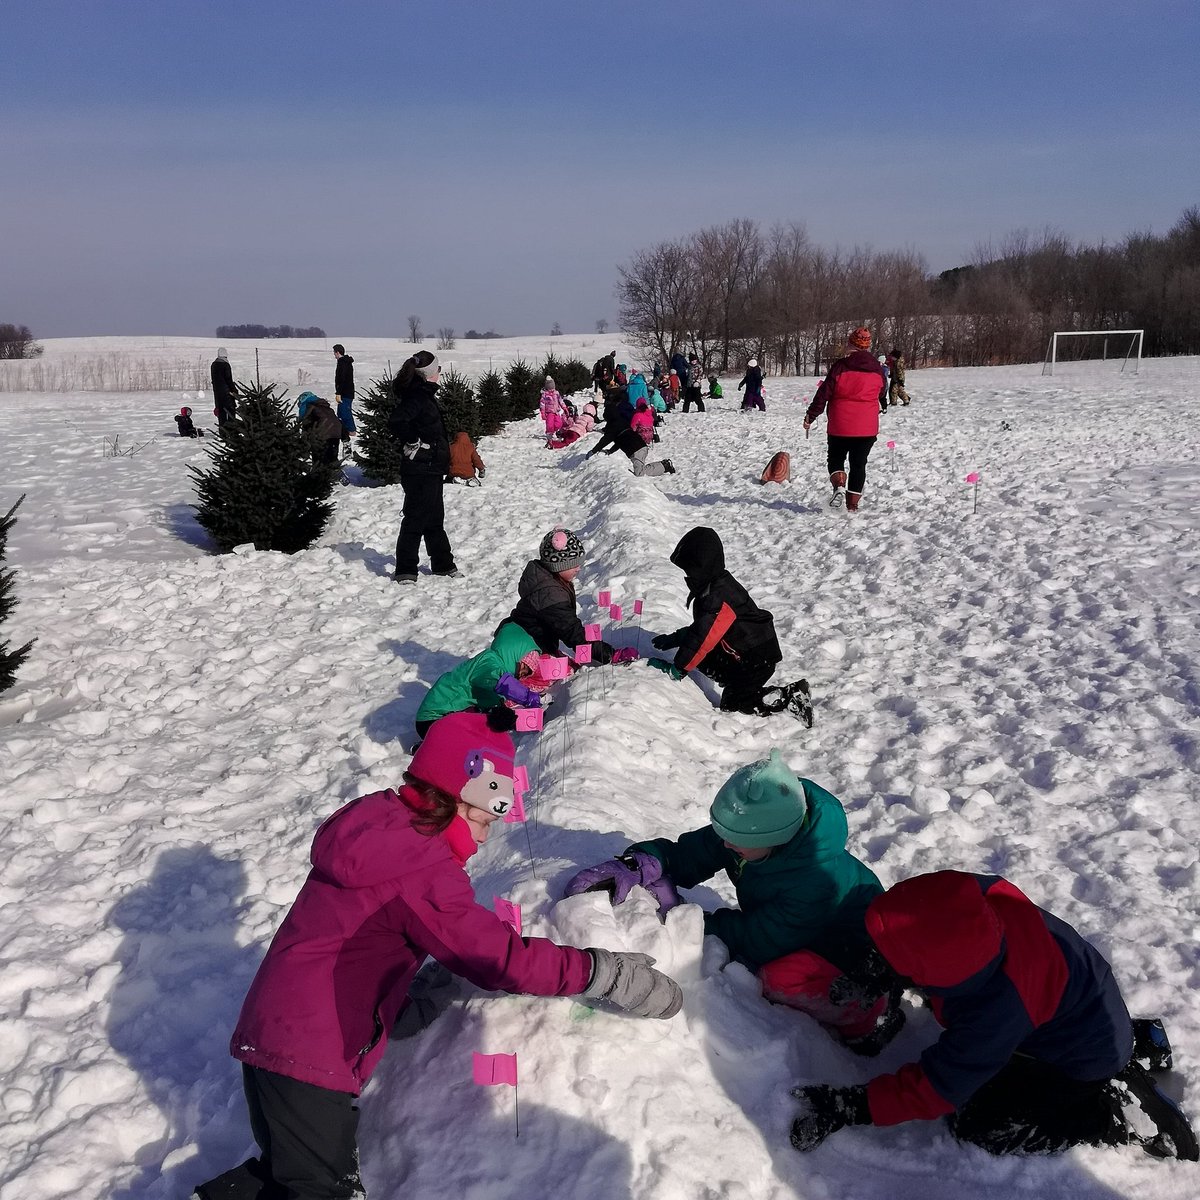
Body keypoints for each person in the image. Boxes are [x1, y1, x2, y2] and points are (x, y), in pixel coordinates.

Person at [193, 712, 683, 1200]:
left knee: (288, 1172)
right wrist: (603, 972)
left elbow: (347, 945)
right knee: (323, 1191)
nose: (490, 831)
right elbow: (501, 959)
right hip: (311, 1052)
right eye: (487, 814)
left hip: (280, 1033)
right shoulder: (423, 869)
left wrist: (402, 1008)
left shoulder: (382, 826)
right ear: (458, 792)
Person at [789, 870, 1199, 1160]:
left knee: (980, 1124)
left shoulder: (996, 1009)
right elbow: (920, 935)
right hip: (1079, 1003)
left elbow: (938, 1086)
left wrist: (854, 1105)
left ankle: (1107, 1113)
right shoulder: (973, 903)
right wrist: (880, 970)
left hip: (1074, 1058)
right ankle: (1133, 1041)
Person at [565, 751, 902, 1053]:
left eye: (735, 841)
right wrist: (639, 865)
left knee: (781, 978)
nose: (724, 844)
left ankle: (870, 1014)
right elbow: (692, 853)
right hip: (792, 924)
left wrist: (684, 919)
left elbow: (760, 941)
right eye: (723, 833)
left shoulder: (813, 883)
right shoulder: (752, 831)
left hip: (851, 942)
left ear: (772, 841)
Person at [649, 526, 811, 723]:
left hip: (756, 659)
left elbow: (703, 637)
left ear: (702, 568)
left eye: (690, 571)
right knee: (705, 658)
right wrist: (677, 638)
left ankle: (788, 698)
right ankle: (741, 683)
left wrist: (678, 669)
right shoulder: (712, 587)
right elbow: (702, 630)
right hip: (745, 652)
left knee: (733, 703)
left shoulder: (717, 598)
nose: (688, 577)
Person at [495, 527, 616, 664]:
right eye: (573, 564)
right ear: (558, 566)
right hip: (522, 650)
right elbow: (572, 632)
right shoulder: (550, 594)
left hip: (527, 640)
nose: (578, 568)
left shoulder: (548, 579)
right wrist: (610, 654)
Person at [388, 351, 457, 583]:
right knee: (415, 518)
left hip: (432, 468)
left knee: (435, 519)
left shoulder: (425, 395)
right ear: (429, 374)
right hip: (420, 469)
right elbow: (397, 420)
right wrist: (413, 440)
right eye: (438, 370)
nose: (440, 373)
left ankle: (443, 565)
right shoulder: (417, 396)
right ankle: (405, 570)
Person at [414, 621, 545, 740]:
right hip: (433, 720)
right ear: (515, 655)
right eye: (523, 669)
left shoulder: (494, 665)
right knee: (471, 739)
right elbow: (503, 683)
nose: (521, 676)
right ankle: (432, 749)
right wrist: (527, 697)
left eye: (525, 675)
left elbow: (491, 700)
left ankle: (434, 745)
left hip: (450, 716)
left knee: (497, 718)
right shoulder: (488, 663)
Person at [803, 328, 886, 512]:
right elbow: (882, 392)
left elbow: (824, 393)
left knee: (835, 457)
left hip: (840, 424)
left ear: (852, 344)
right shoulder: (877, 369)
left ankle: (839, 485)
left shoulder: (841, 366)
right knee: (859, 464)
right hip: (867, 427)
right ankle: (852, 505)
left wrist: (811, 415)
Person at [601, 421, 675, 477]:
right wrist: (610, 451)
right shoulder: (622, 431)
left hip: (637, 451)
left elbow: (617, 444)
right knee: (641, 469)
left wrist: (608, 451)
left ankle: (664, 466)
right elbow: (618, 444)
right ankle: (662, 464)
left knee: (639, 473)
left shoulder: (617, 435)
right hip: (640, 449)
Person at [300, 395, 344, 472]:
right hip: (336, 434)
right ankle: (335, 470)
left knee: (319, 456)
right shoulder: (327, 408)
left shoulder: (310, 408)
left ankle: (318, 472)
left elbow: (307, 425)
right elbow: (336, 421)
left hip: (322, 435)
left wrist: (304, 440)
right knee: (332, 454)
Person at [333, 344, 355, 454]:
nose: (334, 356)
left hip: (345, 393)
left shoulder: (343, 363)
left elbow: (341, 379)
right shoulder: (346, 362)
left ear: (337, 352)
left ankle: (350, 431)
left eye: (334, 353)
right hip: (346, 392)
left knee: (344, 413)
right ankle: (344, 436)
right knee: (340, 415)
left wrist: (339, 392)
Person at [210, 347, 238, 429]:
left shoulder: (214, 365)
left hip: (217, 393)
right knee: (231, 411)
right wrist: (234, 390)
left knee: (221, 412)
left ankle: (222, 432)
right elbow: (228, 379)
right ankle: (231, 431)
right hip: (227, 392)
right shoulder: (225, 365)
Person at [539, 376, 569, 447]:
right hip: (549, 413)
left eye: (553, 387)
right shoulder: (545, 394)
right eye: (550, 387)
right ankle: (549, 436)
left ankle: (552, 432)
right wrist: (543, 413)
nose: (552, 388)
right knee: (549, 425)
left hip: (556, 412)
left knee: (559, 424)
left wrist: (564, 407)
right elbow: (542, 404)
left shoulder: (556, 393)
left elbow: (560, 401)